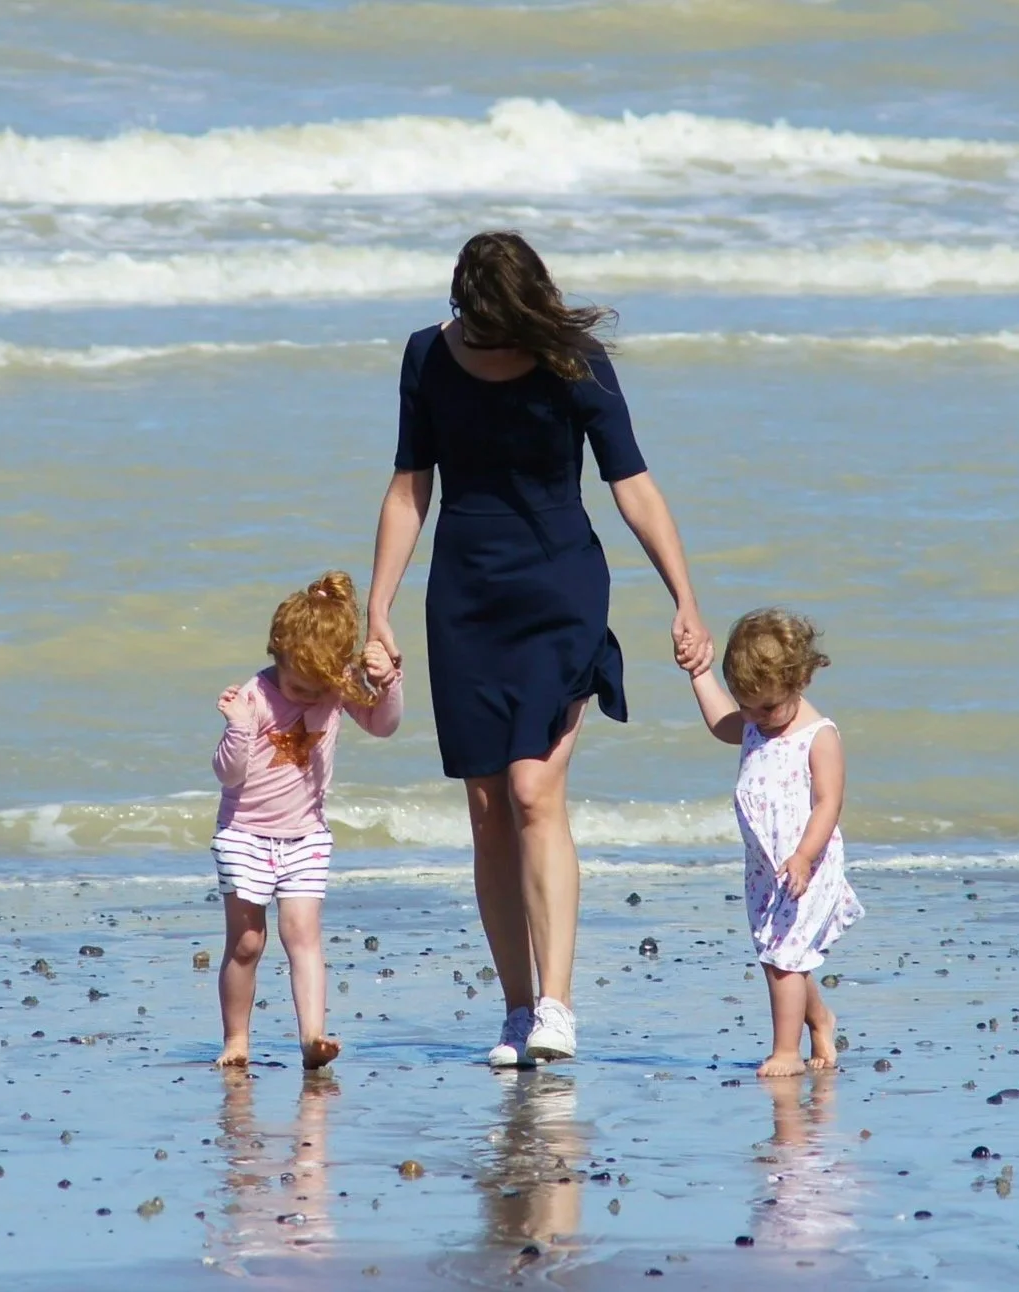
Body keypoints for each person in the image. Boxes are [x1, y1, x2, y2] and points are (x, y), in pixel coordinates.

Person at [366, 230, 712, 1067]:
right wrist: (378, 607)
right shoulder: (426, 357)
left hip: (558, 589)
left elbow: (631, 483)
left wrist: (684, 599)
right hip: (464, 598)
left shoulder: (575, 361)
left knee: (530, 791)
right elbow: (412, 486)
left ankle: (556, 1006)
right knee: (486, 809)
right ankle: (517, 1012)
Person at [210, 570, 402, 1070]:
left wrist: (387, 681)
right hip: (244, 833)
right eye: (299, 685)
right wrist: (237, 728)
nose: (308, 698)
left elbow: (384, 725)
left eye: (320, 688)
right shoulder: (253, 696)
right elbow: (228, 776)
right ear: (278, 651)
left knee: (303, 935)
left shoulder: (335, 688)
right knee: (247, 942)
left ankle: (312, 1038)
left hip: (306, 836)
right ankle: (236, 1040)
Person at [690, 608, 864, 1078]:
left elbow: (829, 803)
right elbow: (720, 723)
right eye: (746, 705)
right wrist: (699, 673)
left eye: (766, 708)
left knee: (784, 960)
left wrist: (805, 856)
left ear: (799, 681)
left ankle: (785, 1051)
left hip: (806, 864)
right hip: (765, 867)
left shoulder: (817, 735)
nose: (755, 719)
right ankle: (820, 1019)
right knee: (778, 956)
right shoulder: (753, 720)